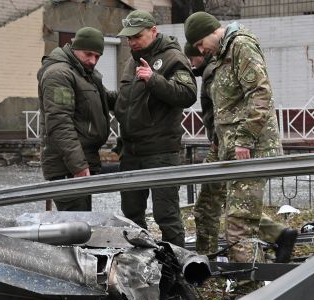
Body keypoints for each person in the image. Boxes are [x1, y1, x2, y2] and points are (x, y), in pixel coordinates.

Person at [184, 12, 295, 264]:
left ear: (212, 31)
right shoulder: (225, 53)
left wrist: (244, 138)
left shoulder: (240, 46)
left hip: (250, 148)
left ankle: (250, 289)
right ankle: (250, 278)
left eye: (201, 43)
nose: (202, 50)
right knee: (236, 217)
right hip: (234, 147)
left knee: (239, 223)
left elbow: (260, 92)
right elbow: (229, 105)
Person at [113, 10, 197, 247]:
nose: (132, 42)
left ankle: (176, 270)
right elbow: (127, 101)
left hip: (161, 151)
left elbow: (188, 94)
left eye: (136, 36)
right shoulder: (131, 61)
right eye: (128, 38)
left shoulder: (172, 57)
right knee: (130, 216)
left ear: (153, 31)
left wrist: (154, 79)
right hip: (131, 151)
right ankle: (140, 267)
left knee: (166, 215)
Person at [37, 27, 116, 211]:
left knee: (81, 226)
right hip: (67, 168)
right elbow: (60, 123)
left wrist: (138, 92)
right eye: (88, 54)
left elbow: (106, 98)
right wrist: (78, 166)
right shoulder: (59, 74)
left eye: (97, 57)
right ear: (74, 47)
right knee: (75, 227)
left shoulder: (82, 73)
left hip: (79, 165)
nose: (92, 61)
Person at [184, 42, 224, 255]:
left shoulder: (211, 71)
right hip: (221, 143)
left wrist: (217, 139)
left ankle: (205, 258)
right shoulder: (212, 68)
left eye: (192, 59)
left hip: (220, 145)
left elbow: (220, 108)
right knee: (221, 201)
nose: (191, 64)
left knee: (207, 207)